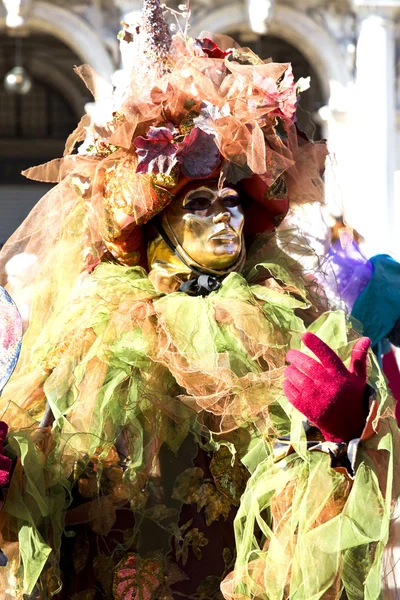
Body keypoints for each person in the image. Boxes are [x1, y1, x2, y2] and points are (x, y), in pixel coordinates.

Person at [0, 2, 398, 598]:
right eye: (200, 204)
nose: (225, 218)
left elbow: (315, 528)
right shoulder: (87, 334)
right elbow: (37, 487)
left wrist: (339, 438)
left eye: (233, 200)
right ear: (154, 224)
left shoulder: (289, 325)